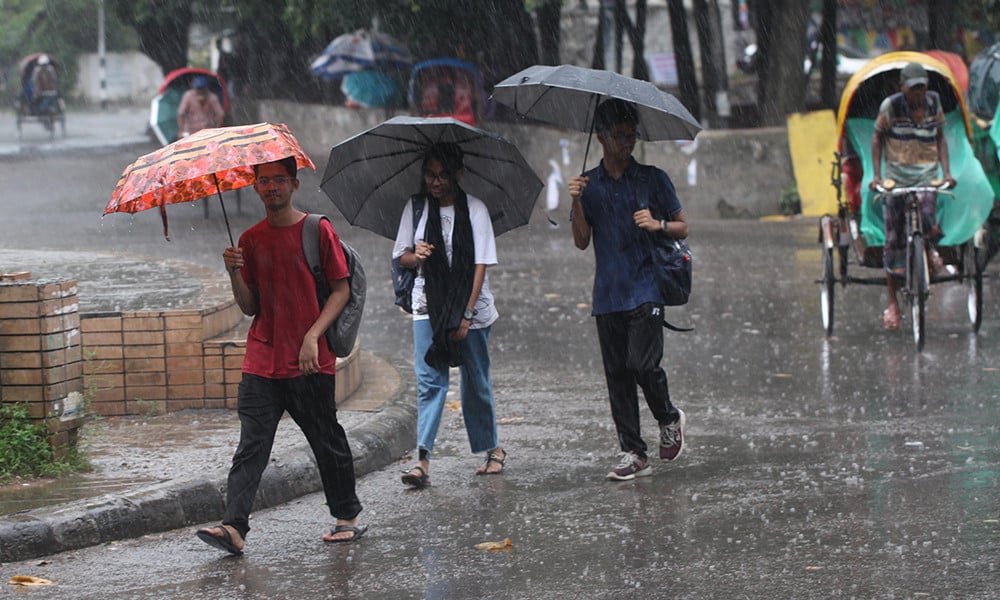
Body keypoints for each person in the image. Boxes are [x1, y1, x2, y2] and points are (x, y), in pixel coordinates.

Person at [195, 156, 367, 555]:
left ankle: (347, 515)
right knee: (251, 446)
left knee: (326, 440)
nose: (271, 187)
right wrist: (234, 272)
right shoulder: (250, 240)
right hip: (262, 361)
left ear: (294, 184)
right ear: (254, 187)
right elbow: (250, 306)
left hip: (309, 360)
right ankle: (234, 527)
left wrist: (313, 336)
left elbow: (341, 290)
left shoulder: (316, 230)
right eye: (264, 181)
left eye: (279, 180)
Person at [567, 99, 687, 482]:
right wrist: (575, 200)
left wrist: (658, 224)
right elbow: (582, 241)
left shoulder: (653, 179)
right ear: (600, 137)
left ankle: (668, 416)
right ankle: (633, 452)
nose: (626, 143)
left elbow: (683, 227)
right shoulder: (589, 186)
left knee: (642, 364)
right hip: (608, 294)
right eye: (618, 136)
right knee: (617, 375)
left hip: (647, 286)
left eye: (631, 135)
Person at [392, 143, 506, 488]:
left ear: (457, 174)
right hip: (428, 305)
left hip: (469, 307)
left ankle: (492, 448)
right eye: (430, 175)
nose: (435, 182)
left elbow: (480, 264)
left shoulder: (474, 210)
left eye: (442, 175)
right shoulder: (415, 209)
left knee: (475, 381)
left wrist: (468, 314)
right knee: (429, 382)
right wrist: (418, 255)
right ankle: (422, 460)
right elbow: (401, 257)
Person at [869, 62, 955, 331]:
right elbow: (876, 138)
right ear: (902, 87)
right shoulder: (890, 106)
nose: (918, 93)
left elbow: (940, 137)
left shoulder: (933, 103)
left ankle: (929, 249)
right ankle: (893, 304)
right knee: (893, 238)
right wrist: (877, 176)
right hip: (897, 176)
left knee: (928, 213)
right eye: (913, 88)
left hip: (926, 174)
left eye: (922, 87)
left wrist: (947, 171)